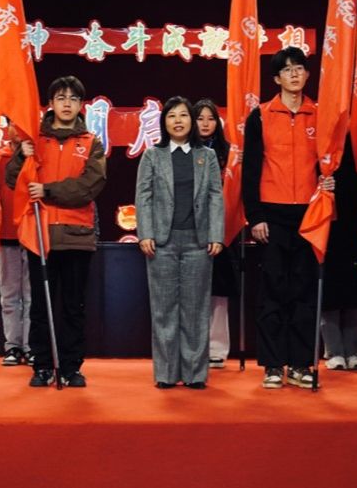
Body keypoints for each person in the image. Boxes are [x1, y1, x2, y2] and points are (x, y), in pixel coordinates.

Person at [242, 46, 334, 389]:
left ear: (307, 75)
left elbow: (330, 161)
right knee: (273, 289)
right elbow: (251, 170)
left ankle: (300, 363)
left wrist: (330, 181)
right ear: (277, 78)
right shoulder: (261, 116)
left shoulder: (321, 115)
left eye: (299, 68)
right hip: (272, 214)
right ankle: (271, 364)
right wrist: (255, 216)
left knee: (305, 290)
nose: (294, 74)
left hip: (310, 215)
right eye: (287, 69)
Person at [6, 75, 106, 388]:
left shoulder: (91, 142)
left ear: (81, 105)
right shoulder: (35, 141)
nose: (67, 104)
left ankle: (71, 367)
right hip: (41, 234)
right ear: (50, 104)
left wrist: (48, 190)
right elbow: (12, 179)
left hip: (77, 235)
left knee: (73, 306)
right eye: (61, 98)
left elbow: (90, 186)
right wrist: (21, 155)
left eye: (73, 99)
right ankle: (42, 366)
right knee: (41, 305)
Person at [137, 96, 226, 389]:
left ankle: (195, 374)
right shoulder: (153, 156)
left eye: (184, 115)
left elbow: (215, 196)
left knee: (195, 309)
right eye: (172, 116)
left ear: (192, 121)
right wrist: (145, 233)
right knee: (163, 310)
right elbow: (143, 197)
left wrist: (216, 234)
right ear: (164, 122)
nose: (178, 121)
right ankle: (165, 373)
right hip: (161, 242)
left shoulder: (207, 157)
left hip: (198, 242)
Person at [0, 123, 33, 367]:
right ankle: (12, 346)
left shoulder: (36, 156)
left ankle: (31, 346)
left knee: (31, 295)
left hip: (31, 232)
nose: (17, 128)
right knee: (9, 294)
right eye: (13, 123)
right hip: (6, 233)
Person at [192, 99, 234, 369]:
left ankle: (217, 348)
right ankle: (194, 347)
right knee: (193, 290)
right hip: (191, 228)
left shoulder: (228, 153)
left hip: (221, 227)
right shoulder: (184, 149)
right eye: (200, 118)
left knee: (218, 290)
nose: (206, 124)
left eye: (211, 118)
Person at [320, 139, 357, 371]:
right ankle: (334, 349)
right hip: (330, 214)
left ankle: (354, 350)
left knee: (356, 284)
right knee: (331, 283)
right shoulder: (325, 133)